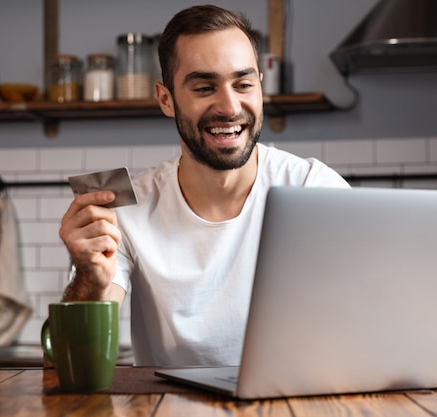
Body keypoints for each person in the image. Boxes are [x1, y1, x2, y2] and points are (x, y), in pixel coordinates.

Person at [59, 4, 350, 366]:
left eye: (243, 84)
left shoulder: (313, 189)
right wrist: (89, 280)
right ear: (166, 99)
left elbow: (370, 316)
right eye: (204, 87)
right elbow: (68, 364)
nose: (229, 107)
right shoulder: (127, 210)